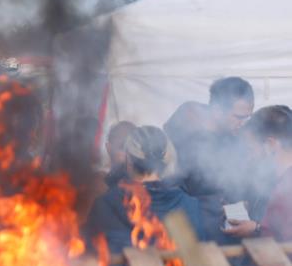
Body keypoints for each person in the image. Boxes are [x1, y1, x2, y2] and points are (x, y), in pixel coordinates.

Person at [83, 126, 203, 255]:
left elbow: (86, 253)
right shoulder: (190, 205)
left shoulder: (104, 205)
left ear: (129, 161)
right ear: (166, 161)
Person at [164, 76, 254, 242]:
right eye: (239, 117)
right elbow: (171, 191)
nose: (244, 123)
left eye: (248, 117)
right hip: (194, 237)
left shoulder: (233, 140)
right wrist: (212, 204)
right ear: (218, 110)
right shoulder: (183, 140)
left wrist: (240, 202)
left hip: (226, 234)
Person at [225, 106, 292, 241]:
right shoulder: (279, 181)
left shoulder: (286, 187)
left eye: (250, 149)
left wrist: (256, 229)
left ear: (271, 145)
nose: (249, 158)